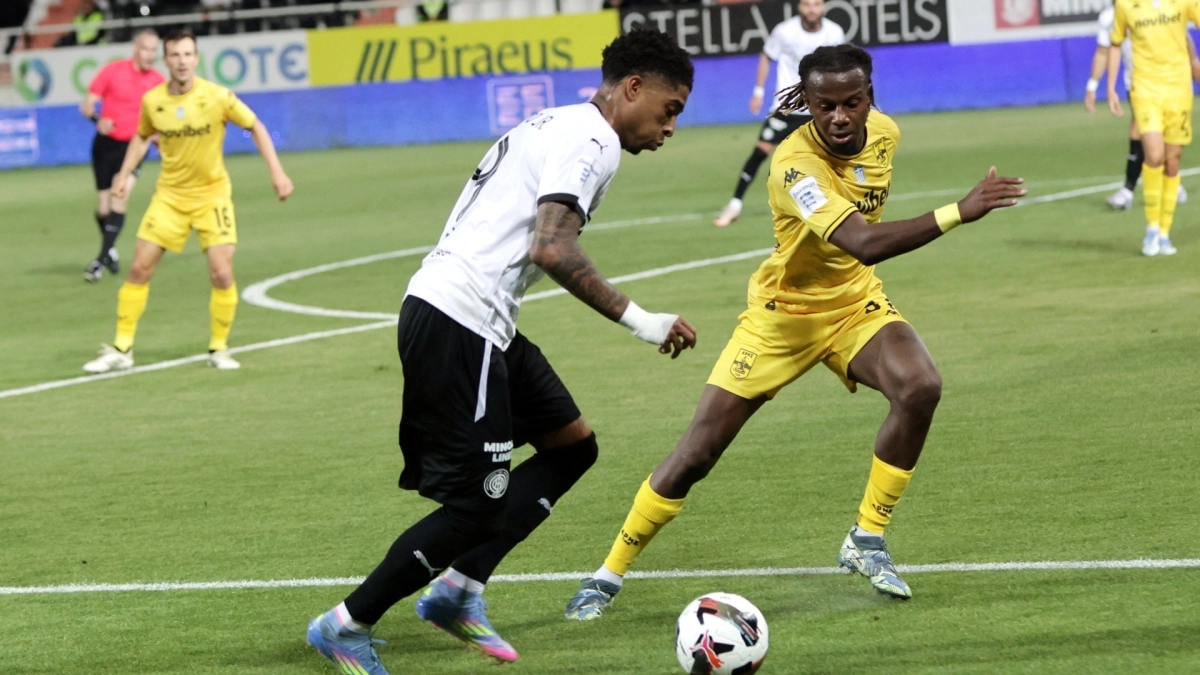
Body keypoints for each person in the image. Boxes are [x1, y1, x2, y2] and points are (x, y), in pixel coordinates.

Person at [563, 45, 1026, 622]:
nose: (839, 117)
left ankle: (866, 538)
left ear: (870, 98)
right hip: (781, 318)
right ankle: (606, 576)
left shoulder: (885, 133)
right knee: (696, 454)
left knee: (920, 385)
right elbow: (862, 242)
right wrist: (959, 210)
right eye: (824, 105)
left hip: (853, 304)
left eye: (851, 102)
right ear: (806, 103)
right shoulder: (793, 166)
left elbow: (858, 254)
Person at [304, 30, 696, 675]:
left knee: (572, 447)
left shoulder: (559, 122)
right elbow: (552, 247)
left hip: (482, 320)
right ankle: (346, 624)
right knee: (476, 506)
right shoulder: (593, 140)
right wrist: (642, 321)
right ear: (633, 88)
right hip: (460, 319)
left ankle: (457, 591)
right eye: (669, 108)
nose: (670, 127)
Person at [82, 28, 293, 374]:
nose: (182, 61)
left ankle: (219, 348)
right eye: (175, 55)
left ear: (196, 58)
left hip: (212, 196)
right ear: (166, 60)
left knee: (222, 273)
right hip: (170, 197)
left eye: (187, 54)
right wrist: (123, 175)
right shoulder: (153, 100)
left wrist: (277, 173)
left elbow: (255, 125)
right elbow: (141, 137)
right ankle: (121, 349)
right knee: (138, 269)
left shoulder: (217, 96)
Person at [713, 0, 844, 228]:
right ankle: (734, 205)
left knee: (833, 157)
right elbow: (766, 55)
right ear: (799, 7)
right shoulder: (785, 31)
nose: (812, 9)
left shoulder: (835, 33)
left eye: (816, 4)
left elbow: (842, 67)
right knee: (760, 153)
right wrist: (758, 91)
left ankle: (843, 205)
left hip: (819, 109)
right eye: (807, 4)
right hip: (786, 107)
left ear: (823, 7)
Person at [1107, 0, 1200, 256]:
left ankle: (1164, 233)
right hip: (1145, 90)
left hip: (1179, 90)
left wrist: (1195, 62)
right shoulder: (1126, 5)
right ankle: (1151, 228)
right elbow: (1115, 43)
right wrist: (1110, 87)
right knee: (1155, 155)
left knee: (1173, 162)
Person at [1085, 5, 1192, 211]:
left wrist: (1193, 60)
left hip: (1168, 80)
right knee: (1143, 131)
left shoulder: (1158, 6)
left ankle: (1154, 184)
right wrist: (1093, 86)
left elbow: (1180, 34)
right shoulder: (1109, 16)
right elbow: (1105, 50)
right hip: (1137, 83)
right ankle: (1157, 185)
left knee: (1148, 133)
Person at [81, 29, 165, 283]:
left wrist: (159, 139)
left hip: (135, 148)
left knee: (120, 196)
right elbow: (87, 105)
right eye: (146, 48)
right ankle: (110, 250)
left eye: (154, 50)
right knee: (103, 209)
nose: (150, 54)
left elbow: (162, 117)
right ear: (134, 48)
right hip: (105, 146)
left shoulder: (158, 82)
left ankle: (99, 260)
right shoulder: (113, 71)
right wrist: (98, 119)